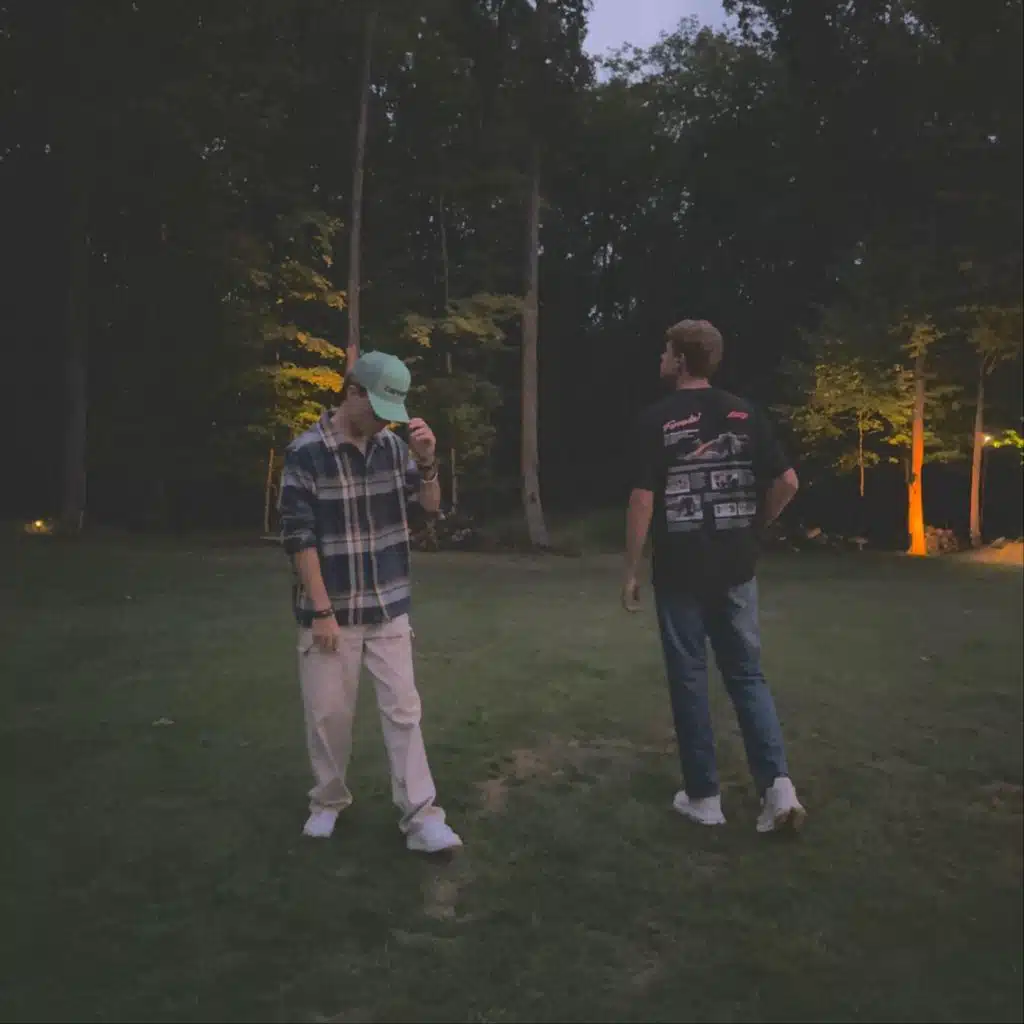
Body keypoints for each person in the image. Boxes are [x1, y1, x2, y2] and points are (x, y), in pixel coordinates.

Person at [622, 320, 806, 834]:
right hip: (736, 569)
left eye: (665, 351)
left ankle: (704, 798)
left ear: (681, 360)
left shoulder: (654, 420)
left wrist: (631, 569)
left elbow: (642, 499)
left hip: (680, 572)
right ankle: (778, 790)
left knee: (689, 679)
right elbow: (788, 481)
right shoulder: (745, 412)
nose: (660, 359)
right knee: (747, 675)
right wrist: (754, 527)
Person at [278, 350, 463, 854]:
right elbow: (298, 537)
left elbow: (427, 512)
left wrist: (427, 464)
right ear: (353, 392)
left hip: (388, 605)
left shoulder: (394, 449)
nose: (385, 421)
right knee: (328, 716)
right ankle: (327, 801)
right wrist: (321, 611)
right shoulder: (306, 453)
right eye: (378, 408)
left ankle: (422, 818)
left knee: (404, 713)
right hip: (330, 611)